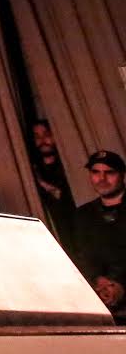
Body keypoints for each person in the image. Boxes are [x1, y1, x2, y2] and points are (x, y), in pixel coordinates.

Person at [71, 149, 126, 320]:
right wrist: (98, 281)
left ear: (122, 175)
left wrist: (120, 285)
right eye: (95, 172)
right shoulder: (83, 214)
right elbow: (80, 256)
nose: (102, 179)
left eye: (109, 172)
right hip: (101, 305)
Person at [29, 119, 75, 244]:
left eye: (47, 134)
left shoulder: (68, 163)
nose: (42, 140)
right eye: (37, 137)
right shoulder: (32, 169)